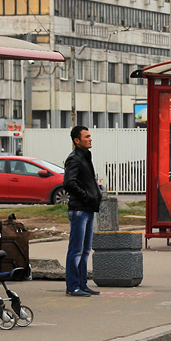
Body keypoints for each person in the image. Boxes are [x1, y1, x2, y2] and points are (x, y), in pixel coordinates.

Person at [63, 125, 102, 297]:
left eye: (90, 135)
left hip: (87, 209)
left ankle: (82, 284)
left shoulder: (85, 156)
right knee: (76, 250)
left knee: (85, 250)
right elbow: (69, 183)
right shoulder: (74, 158)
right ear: (77, 140)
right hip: (79, 210)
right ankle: (73, 286)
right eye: (87, 136)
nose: (90, 138)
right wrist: (87, 196)